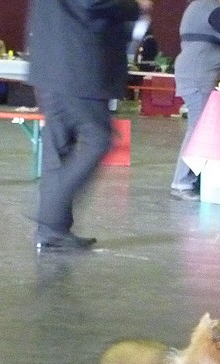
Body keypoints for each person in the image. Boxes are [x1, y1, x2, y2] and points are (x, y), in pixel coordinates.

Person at [27, 0, 152, 251]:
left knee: (60, 147)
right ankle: (51, 214)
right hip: (78, 68)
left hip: (51, 66)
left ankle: (53, 231)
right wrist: (136, 6)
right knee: (97, 139)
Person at [170, 0, 220, 201]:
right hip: (198, 75)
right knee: (198, 129)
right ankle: (182, 182)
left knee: (201, 127)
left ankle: (195, 179)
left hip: (198, 73)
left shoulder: (198, 6)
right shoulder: (211, 8)